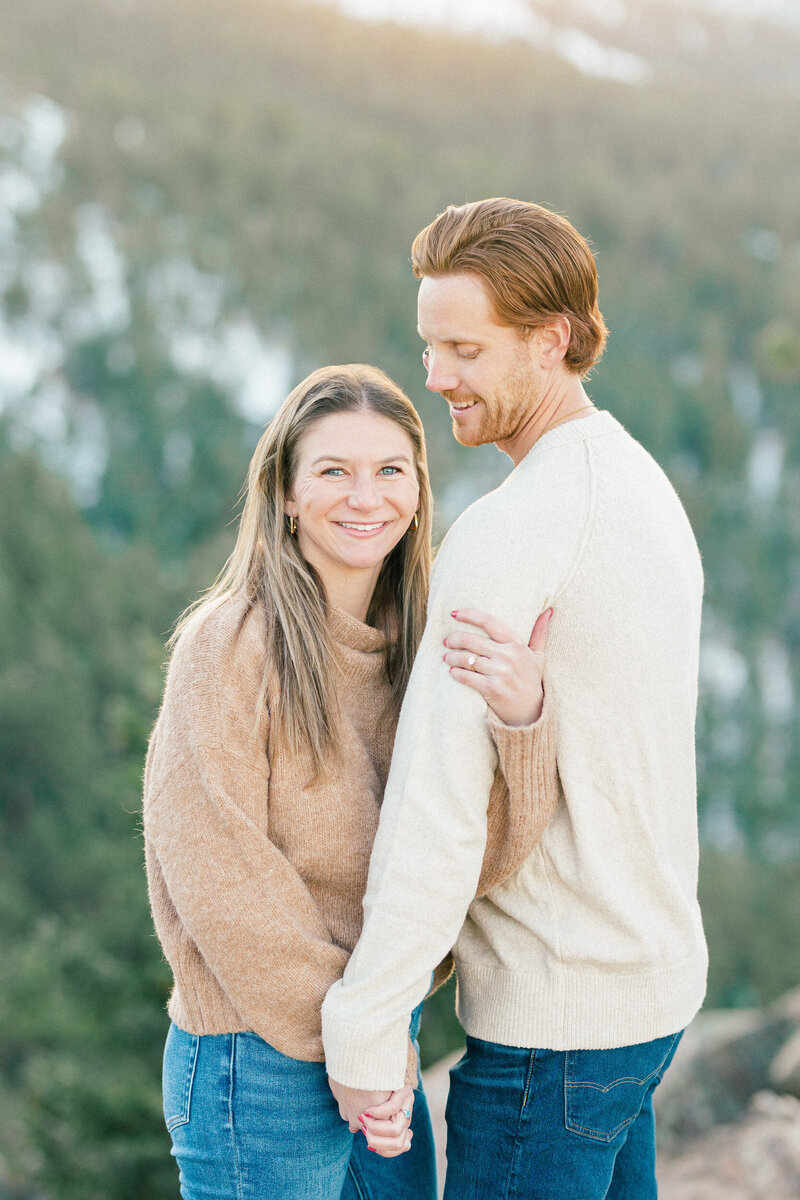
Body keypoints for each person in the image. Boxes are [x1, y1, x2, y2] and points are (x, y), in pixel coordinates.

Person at [322, 200, 708, 1199]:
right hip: (644, 998)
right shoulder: (634, 483)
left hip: (555, 1032)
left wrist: (367, 1022)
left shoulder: (512, 529)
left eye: (463, 347)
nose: (435, 375)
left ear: (552, 341)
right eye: (427, 344)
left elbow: (438, 809)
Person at [142, 362, 559, 1200]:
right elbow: (219, 882)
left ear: (417, 492)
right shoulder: (227, 645)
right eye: (333, 471)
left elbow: (475, 855)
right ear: (287, 495)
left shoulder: (427, 650)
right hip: (258, 1056)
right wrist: (356, 1048)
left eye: (389, 471)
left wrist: (524, 715)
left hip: (377, 1035)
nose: (365, 496)